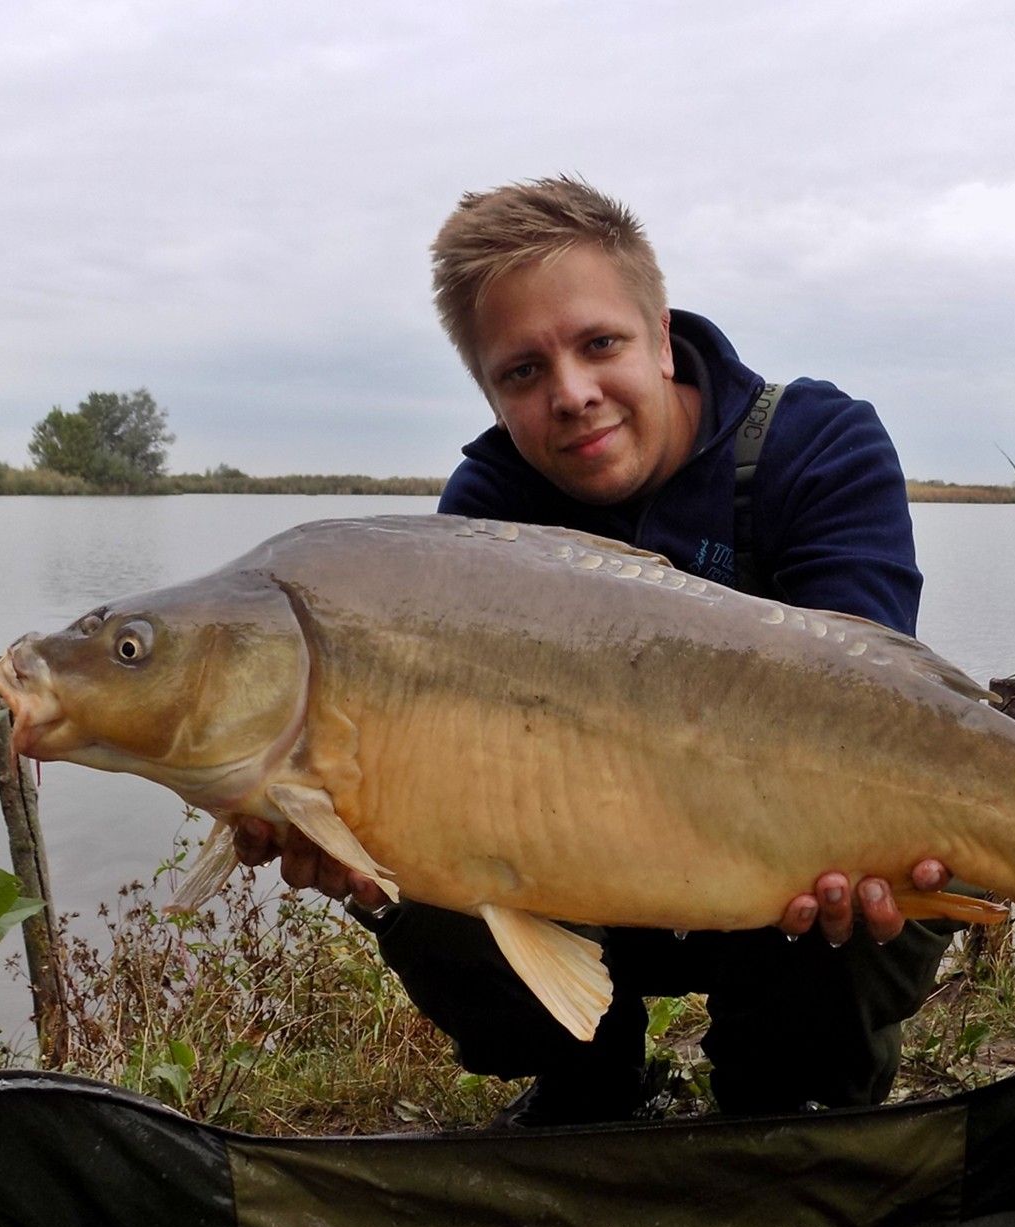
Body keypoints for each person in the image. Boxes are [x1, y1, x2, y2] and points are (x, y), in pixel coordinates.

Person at [239, 176, 956, 1125]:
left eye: (599, 344)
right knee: (433, 894)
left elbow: (871, 707)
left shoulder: (818, 445)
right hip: (585, 874)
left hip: (779, 862)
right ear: (490, 391)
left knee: (882, 880)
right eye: (521, 373)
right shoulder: (482, 517)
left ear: (662, 337)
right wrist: (370, 854)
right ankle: (589, 1079)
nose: (571, 394)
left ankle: (795, 1102)